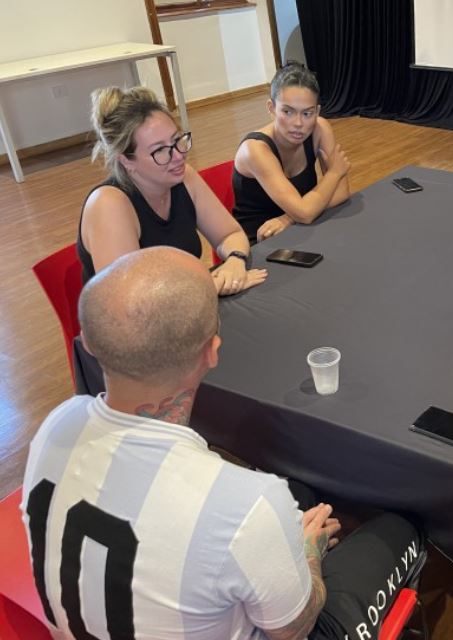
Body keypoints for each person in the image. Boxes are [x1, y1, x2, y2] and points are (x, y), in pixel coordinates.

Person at [21, 246, 422, 639]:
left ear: (90, 345)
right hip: (289, 621)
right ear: (211, 352)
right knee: (402, 526)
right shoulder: (245, 502)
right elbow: (294, 629)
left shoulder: (57, 424)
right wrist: (309, 552)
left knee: (295, 495)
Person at [78, 86, 265, 296]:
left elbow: (229, 234)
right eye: (159, 150)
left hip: (186, 300)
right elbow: (128, 298)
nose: (178, 156)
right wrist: (208, 286)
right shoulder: (108, 205)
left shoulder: (184, 177)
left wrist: (235, 261)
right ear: (126, 160)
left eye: (177, 140)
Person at [233, 62, 351, 243]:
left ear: (317, 111)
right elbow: (305, 212)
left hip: (303, 228)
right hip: (260, 242)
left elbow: (342, 192)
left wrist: (288, 218)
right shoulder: (255, 149)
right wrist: (334, 173)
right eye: (288, 112)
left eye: (307, 113)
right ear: (271, 108)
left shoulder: (320, 129)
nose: (298, 123)